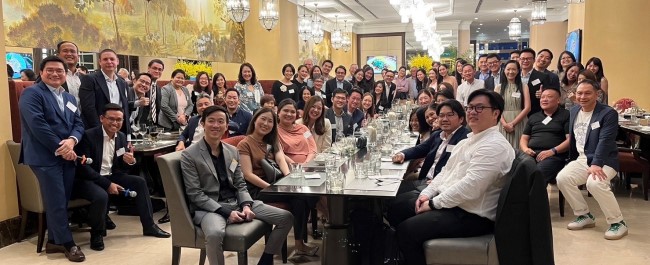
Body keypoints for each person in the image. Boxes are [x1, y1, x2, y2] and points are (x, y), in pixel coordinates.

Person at [392, 89, 514, 265]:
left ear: (496, 113)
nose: (472, 112)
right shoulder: (469, 141)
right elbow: (446, 173)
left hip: (472, 215)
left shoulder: (493, 146)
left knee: (407, 230)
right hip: (455, 203)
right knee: (396, 206)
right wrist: (427, 193)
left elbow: (470, 187)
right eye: (470, 107)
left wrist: (433, 203)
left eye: (479, 108)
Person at [181, 105, 293, 265]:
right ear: (202, 123)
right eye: (211, 121)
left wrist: (246, 205)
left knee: (286, 218)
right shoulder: (189, 155)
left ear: (226, 126)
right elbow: (195, 194)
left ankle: (266, 260)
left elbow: (240, 184)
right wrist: (226, 212)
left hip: (238, 202)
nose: (216, 125)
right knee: (213, 234)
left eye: (221, 122)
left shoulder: (232, 151)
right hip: (211, 208)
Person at [73, 103, 170, 252]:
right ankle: (97, 233)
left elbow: (120, 168)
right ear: (101, 119)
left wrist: (130, 162)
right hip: (89, 178)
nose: (115, 123)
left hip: (111, 174)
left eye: (119, 120)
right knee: (101, 195)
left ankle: (149, 226)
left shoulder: (122, 137)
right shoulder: (88, 136)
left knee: (139, 182)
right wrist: (107, 184)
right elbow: (83, 168)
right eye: (111, 119)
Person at [19, 56, 86, 262]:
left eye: (60, 70)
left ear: (65, 74)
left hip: (67, 155)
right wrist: (62, 148)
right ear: (41, 72)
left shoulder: (69, 98)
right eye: (50, 70)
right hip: (44, 156)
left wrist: (73, 141)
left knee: (61, 199)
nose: (55, 73)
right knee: (56, 200)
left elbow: (78, 123)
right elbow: (38, 125)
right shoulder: (31, 93)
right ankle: (67, 243)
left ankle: (55, 241)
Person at [237, 107, 320, 256]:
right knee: (302, 196)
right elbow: (248, 174)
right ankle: (300, 242)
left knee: (301, 199)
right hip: (256, 189)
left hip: (275, 185)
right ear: (255, 120)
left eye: (270, 121)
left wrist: (289, 178)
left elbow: (281, 158)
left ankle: (299, 244)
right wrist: (272, 187)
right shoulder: (245, 143)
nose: (266, 124)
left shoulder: (270, 140)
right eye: (263, 119)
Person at [556, 79, 628, 240]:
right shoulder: (574, 111)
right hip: (583, 159)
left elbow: (606, 140)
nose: (583, 97)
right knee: (563, 178)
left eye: (588, 93)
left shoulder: (608, 113)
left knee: (594, 183)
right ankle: (584, 215)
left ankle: (618, 223)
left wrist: (596, 163)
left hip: (605, 160)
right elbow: (575, 140)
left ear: (598, 94)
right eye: (579, 93)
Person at [389, 100, 468, 196]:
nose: (445, 119)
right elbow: (420, 149)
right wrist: (402, 154)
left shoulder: (465, 138)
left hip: (438, 186)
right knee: (392, 190)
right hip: (425, 179)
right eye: (441, 115)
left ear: (461, 118)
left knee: (396, 200)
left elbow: (461, 169)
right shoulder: (438, 135)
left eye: (450, 115)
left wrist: (441, 182)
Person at [520, 87, 570, 183]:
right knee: (518, 170)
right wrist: (526, 149)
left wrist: (552, 151)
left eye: (549, 97)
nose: (544, 99)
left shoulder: (566, 115)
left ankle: (535, 198)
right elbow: (524, 138)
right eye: (542, 97)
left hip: (554, 155)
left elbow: (570, 140)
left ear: (558, 100)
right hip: (531, 154)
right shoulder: (533, 117)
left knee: (539, 173)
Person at [80, 49, 130, 135]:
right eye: (105, 59)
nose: (109, 62)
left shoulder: (122, 82)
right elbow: (88, 108)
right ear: (100, 62)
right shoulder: (90, 79)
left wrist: (127, 134)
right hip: (97, 130)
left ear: (117, 61)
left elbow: (125, 108)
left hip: (118, 130)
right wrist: (100, 131)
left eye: (112, 59)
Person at [497, 60, 531, 149]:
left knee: (519, 149)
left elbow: (527, 108)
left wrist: (512, 123)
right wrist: (505, 124)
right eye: (508, 69)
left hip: (520, 121)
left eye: (514, 69)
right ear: (504, 70)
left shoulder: (524, 86)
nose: (511, 72)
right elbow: (495, 108)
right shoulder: (498, 87)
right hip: (503, 122)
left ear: (518, 71)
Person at [277, 99, 318, 163]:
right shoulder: (275, 131)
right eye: (286, 111)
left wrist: (306, 164)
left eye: (293, 112)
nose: (289, 114)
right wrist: (296, 166)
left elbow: (313, 149)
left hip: (308, 166)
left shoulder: (304, 129)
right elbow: (279, 154)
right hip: (288, 168)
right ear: (278, 112)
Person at [519, 48, 551, 116]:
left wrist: (543, 94)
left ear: (534, 60)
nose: (525, 61)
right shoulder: (514, 75)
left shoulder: (543, 77)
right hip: (516, 113)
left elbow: (548, 95)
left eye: (528, 59)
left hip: (534, 114)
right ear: (519, 60)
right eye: (523, 58)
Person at [146, 59, 165, 126]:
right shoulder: (141, 84)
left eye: (160, 69)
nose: (157, 71)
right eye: (154, 68)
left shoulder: (158, 88)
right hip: (139, 125)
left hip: (154, 125)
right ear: (148, 68)